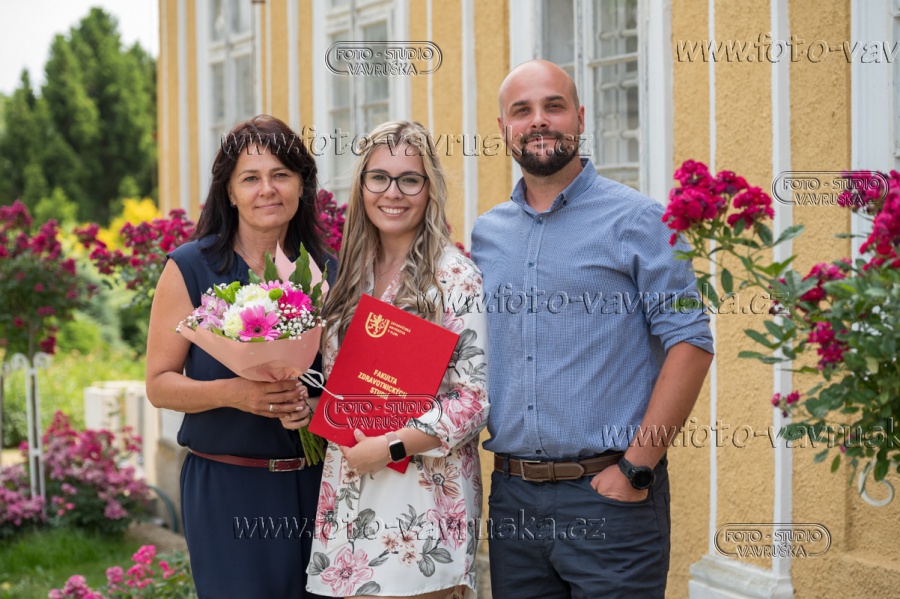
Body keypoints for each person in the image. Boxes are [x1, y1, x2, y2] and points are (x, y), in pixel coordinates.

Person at [470, 60, 715, 598]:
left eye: (553, 106)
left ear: (580, 118)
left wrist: (636, 468)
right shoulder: (487, 235)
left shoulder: (642, 221)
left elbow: (691, 341)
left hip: (610, 499)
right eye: (522, 111)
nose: (539, 120)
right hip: (513, 499)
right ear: (503, 128)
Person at [289, 120, 488, 599]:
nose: (392, 192)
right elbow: (351, 388)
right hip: (348, 503)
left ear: (429, 188)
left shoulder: (454, 277)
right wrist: (310, 408)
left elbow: (473, 401)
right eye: (379, 177)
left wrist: (391, 445)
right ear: (362, 186)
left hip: (419, 511)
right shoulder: (348, 276)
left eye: (409, 179)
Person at [146, 115, 336, 599]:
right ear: (229, 192)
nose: (267, 189)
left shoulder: (329, 273)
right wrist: (237, 393)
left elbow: (350, 388)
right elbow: (160, 384)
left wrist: (314, 410)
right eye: (250, 178)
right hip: (228, 488)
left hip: (321, 486)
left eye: (281, 175)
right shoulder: (190, 268)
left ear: (301, 186)